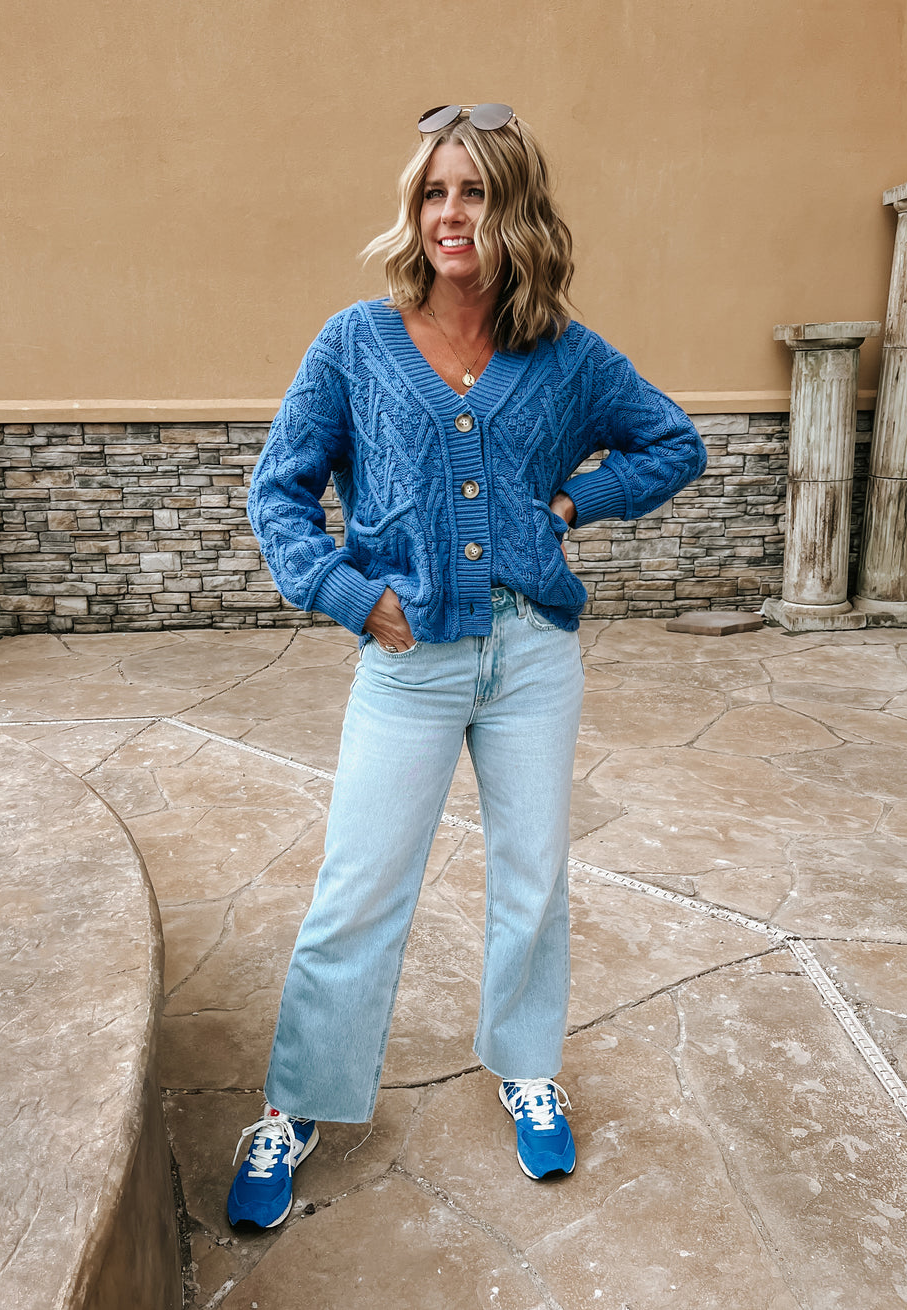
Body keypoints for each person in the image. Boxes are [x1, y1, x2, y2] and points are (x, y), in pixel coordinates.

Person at [227, 102, 707, 1229]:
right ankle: (297, 1101)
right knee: (358, 889)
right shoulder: (357, 340)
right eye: (435, 192)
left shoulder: (566, 355)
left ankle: (527, 1067)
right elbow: (278, 489)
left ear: (516, 209)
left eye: (476, 191)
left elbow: (674, 441)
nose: (452, 213)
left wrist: (572, 502)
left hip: (533, 655)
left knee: (532, 877)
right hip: (410, 658)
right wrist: (350, 593)